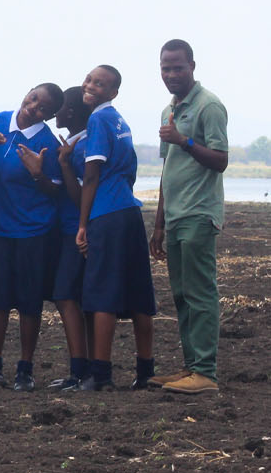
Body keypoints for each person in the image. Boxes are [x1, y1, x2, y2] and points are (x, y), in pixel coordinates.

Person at [0, 83, 65, 391]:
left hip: (33, 232)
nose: (33, 107)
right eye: (33, 97)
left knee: (29, 303)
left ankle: (25, 369)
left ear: (49, 116)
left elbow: (56, 190)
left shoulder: (46, 143)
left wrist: (38, 173)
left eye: (42, 108)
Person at [71, 65, 157, 391]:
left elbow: (92, 174)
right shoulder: (121, 121)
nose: (91, 85)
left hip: (106, 213)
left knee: (101, 295)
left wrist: (82, 224)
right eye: (90, 79)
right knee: (138, 293)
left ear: (113, 92)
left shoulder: (97, 120)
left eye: (101, 83)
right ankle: (145, 371)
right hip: (130, 210)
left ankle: (101, 375)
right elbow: (129, 168)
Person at [149, 39, 228, 394]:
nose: (171, 74)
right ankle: (190, 368)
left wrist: (184, 141)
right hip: (177, 215)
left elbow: (220, 159)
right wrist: (159, 223)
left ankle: (206, 373)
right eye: (165, 68)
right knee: (181, 295)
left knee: (200, 294)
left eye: (178, 67)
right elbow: (169, 170)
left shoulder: (209, 106)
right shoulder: (170, 110)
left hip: (199, 213)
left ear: (192, 66)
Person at [51, 87, 96, 390]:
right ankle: (83, 368)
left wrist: (64, 164)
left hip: (76, 230)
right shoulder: (74, 142)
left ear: (71, 113)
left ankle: (81, 369)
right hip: (68, 228)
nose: (56, 111)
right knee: (78, 297)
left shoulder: (80, 148)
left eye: (62, 106)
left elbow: (80, 195)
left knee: (66, 295)